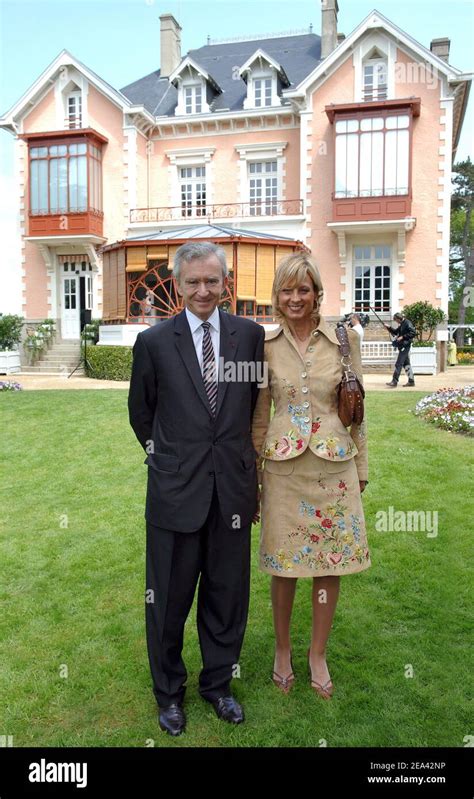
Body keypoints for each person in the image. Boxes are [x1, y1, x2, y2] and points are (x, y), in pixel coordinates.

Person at [128, 241, 265, 736]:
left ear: (225, 282)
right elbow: (141, 413)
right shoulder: (154, 343)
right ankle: (169, 695)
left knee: (227, 598)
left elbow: (253, 404)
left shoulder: (249, 337)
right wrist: (171, 457)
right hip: (175, 493)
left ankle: (218, 686)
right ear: (178, 284)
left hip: (231, 490)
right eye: (193, 282)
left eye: (212, 280)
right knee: (166, 600)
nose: (203, 290)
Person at [252, 253, 371, 700]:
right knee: (283, 565)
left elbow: (357, 411)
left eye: (304, 289)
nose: (296, 298)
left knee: (329, 563)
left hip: (334, 466)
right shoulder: (264, 347)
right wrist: (255, 479)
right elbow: (260, 416)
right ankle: (283, 650)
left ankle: (316, 654)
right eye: (287, 290)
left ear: (317, 293)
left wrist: (361, 467)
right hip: (283, 469)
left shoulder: (344, 342)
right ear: (277, 297)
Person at [384, 312, 416, 387]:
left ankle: (394, 381)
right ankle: (411, 381)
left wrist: (403, 337)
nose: (396, 322)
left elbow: (413, 333)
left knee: (399, 363)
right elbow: (395, 332)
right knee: (406, 364)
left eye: (396, 320)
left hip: (405, 346)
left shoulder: (407, 323)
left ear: (399, 318)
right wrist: (389, 327)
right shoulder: (402, 324)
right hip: (402, 346)